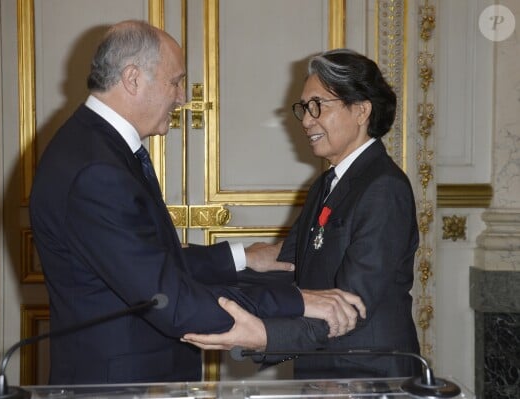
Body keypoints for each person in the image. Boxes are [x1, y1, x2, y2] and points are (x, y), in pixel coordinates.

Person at [29, 21, 365, 385]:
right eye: (175, 81)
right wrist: (300, 302)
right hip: (120, 383)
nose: (182, 98)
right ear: (132, 79)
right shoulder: (96, 169)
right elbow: (169, 299)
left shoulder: (95, 146)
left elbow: (146, 259)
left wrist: (245, 256)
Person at [182, 48, 421, 380]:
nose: (307, 120)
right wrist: (192, 282)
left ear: (361, 110)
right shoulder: (327, 183)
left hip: (369, 373)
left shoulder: (384, 188)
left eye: (317, 105)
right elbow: (289, 269)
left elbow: (352, 307)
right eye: (304, 108)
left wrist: (264, 335)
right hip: (324, 369)